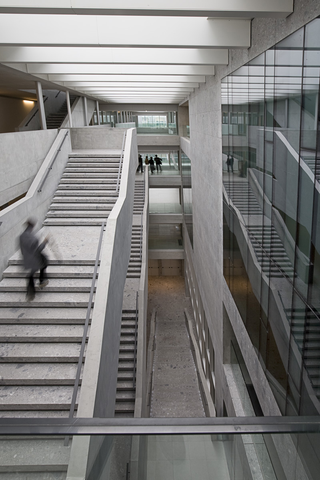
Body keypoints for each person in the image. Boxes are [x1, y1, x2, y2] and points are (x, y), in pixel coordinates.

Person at [20, 219, 49, 301]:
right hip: (35, 258)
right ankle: (41, 281)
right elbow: (38, 249)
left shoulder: (21, 237)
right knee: (44, 263)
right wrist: (45, 242)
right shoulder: (32, 238)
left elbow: (22, 250)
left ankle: (31, 292)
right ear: (32, 227)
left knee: (32, 272)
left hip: (27, 259)